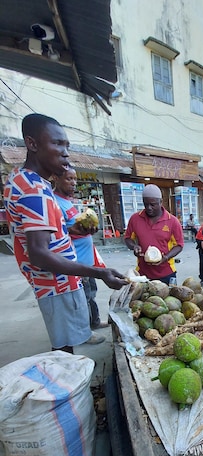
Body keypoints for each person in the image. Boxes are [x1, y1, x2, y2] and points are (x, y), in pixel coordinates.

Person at [3, 113, 127, 354]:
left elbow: (38, 237)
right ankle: (69, 389)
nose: (65, 152)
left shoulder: (18, 179)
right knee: (63, 351)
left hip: (51, 283)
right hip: (55, 284)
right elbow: (39, 254)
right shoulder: (34, 189)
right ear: (32, 143)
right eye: (57, 143)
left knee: (65, 344)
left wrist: (69, 231)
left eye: (67, 145)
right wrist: (99, 272)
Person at [53, 167, 110, 339]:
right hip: (75, 263)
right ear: (56, 178)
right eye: (69, 179)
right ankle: (85, 333)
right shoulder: (54, 202)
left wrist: (86, 230)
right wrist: (75, 230)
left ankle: (94, 322)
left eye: (75, 179)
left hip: (87, 261)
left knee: (90, 294)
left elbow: (74, 227)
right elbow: (56, 233)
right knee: (81, 299)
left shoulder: (68, 201)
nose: (73, 183)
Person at [124, 184, 184, 284]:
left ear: (161, 202)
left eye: (153, 204)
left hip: (166, 273)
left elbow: (179, 245)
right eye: (146, 204)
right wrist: (134, 246)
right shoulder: (135, 219)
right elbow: (127, 238)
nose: (149, 208)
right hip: (142, 274)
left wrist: (166, 257)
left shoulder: (172, 221)